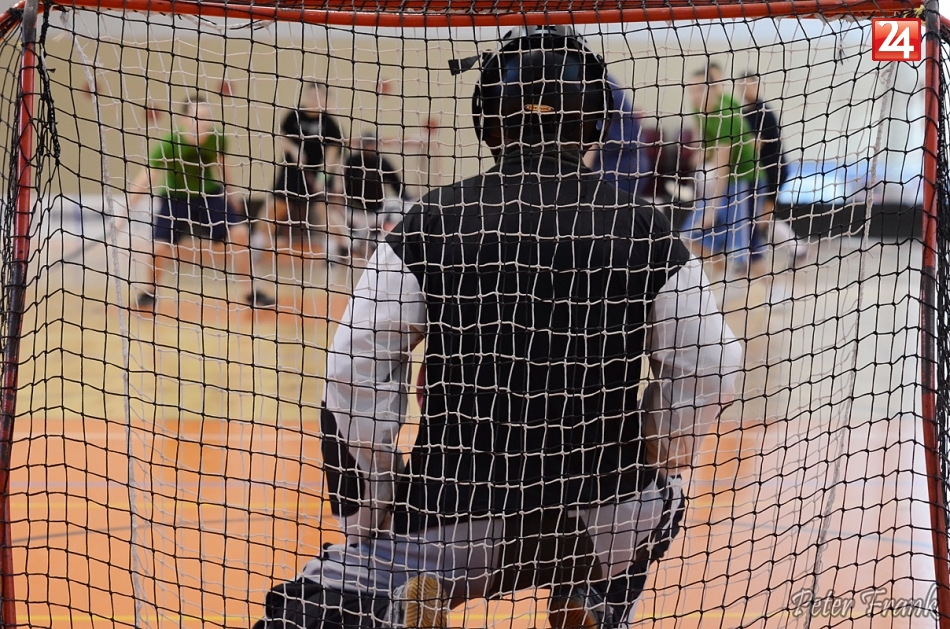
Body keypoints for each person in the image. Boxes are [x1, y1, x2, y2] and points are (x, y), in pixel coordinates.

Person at [253, 25, 743, 629]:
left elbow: (352, 374)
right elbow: (713, 366)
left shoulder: (430, 223)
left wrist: (370, 516)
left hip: (451, 521)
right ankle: (596, 597)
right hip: (604, 517)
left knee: (302, 610)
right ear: (593, 125)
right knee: (666, 497)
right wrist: (656, 451)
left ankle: (396, 600)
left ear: (487, 120)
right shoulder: (648, 230)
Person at [128, 97, 274, 310]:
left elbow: (223, 166)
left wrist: (232, 196)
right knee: (157, 247)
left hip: (209, 194)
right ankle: (150, 291)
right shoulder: (169, 143)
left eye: (207, 117)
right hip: (175, 197)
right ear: (184, 119)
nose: (203, 122)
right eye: (198, 117)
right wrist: (124, 212)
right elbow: (148, 176)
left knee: (240, 234)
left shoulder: (217, 138)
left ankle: (250, 291)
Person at [681, 66, 762, 269]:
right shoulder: (698, 108)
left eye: (700, 89)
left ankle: (754, 282)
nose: (695, 95)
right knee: (689, 236)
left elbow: (722, 167)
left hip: (743, 179)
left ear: (714, 89)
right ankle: (719, 276)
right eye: (691, 89)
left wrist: (712, 210)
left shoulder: (725, 115)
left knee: (742, 251)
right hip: (722, 180)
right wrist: (701, 151)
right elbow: (703, 138)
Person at [265, 81, 346, 256]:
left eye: (319, 96)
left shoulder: (330, 124)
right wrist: (294, 150)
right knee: (276, 209)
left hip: (316, 174)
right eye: (312, 96)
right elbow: (281, 136)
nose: (314, 100)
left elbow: (331, 157)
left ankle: (338, 250)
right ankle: (257, 243)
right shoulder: (294, 115)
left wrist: (321, 179)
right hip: (291, 173)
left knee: (323, 211)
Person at [738, 72, 809, 266]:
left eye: (748, 85)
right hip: (759, 174)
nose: (744, 89)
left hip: (773, 172)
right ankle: (796, 249)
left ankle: (797, 249)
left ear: (757, 86)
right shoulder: (744, 113)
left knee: (763, 219)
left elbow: (756, 145)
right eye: (741, 86)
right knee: (759, 219)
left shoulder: (763, 113)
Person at [340, 132, 406, 259]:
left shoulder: (382, 162)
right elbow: (341, 186)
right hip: (354, 212)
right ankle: (352, 249)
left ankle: (371, 249)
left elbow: (397, 185)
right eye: (366, 144)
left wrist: (407, 199)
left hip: (376, 213)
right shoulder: (352, 162)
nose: (369, 148)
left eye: (372, 144)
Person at [586, 74, 649, 199]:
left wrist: (579, 177)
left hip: (621, 165)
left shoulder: (592, 80)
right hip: (615, 160)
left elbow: (592, 136)